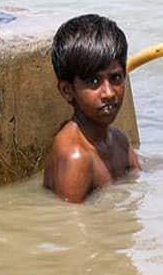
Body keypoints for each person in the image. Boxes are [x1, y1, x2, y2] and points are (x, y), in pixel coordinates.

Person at [44, 14, 140, 203]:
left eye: (116, 78)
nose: (109, 93)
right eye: (94, 81)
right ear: (67, 90)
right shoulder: (76, 158)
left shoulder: (119, 142)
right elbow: (68, 220)